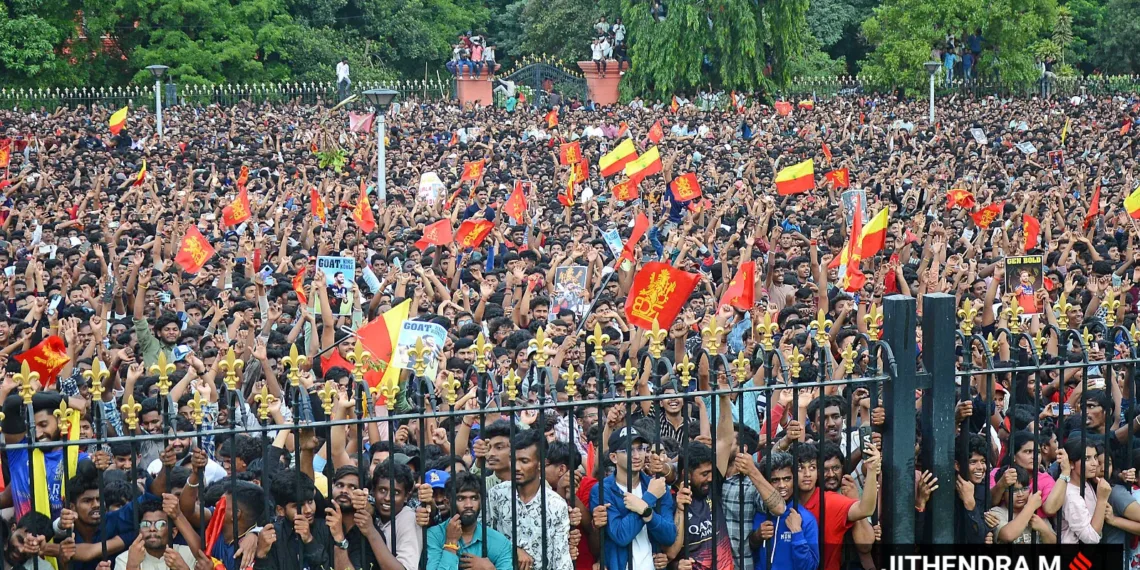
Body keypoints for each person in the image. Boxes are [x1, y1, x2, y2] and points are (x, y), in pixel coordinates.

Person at [589, 426, 676, 570]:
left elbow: (669, 536)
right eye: (628, 450)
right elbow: (621, 535)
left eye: (641, 448)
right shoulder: (603, 490)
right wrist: (649, 499)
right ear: (613, 457)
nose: (637, 455)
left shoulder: (656, 485)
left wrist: (646, 511)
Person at [487, 429, 572, 570]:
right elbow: (482, 536)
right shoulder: (497, 494)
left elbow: (561, 559)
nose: (516, 467)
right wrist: (512, 549)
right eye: (513, 460)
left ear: (541, 463)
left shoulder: (555, 505)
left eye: (524, 461)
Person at [425, 472, 513, 570]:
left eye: (474, 498)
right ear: (447, 503)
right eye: (461, 498)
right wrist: (451, 544)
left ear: (481, 502)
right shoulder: (434, 535)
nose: (468, 505)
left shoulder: (499, 542)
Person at [751, 451, 818, 570]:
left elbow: (810, 567)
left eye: (787, 479)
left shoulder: (805, 519)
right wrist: (756, 537)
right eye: (775, 480)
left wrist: (797, 533)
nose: (782, 485)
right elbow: (747, 554)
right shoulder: (758, 513)